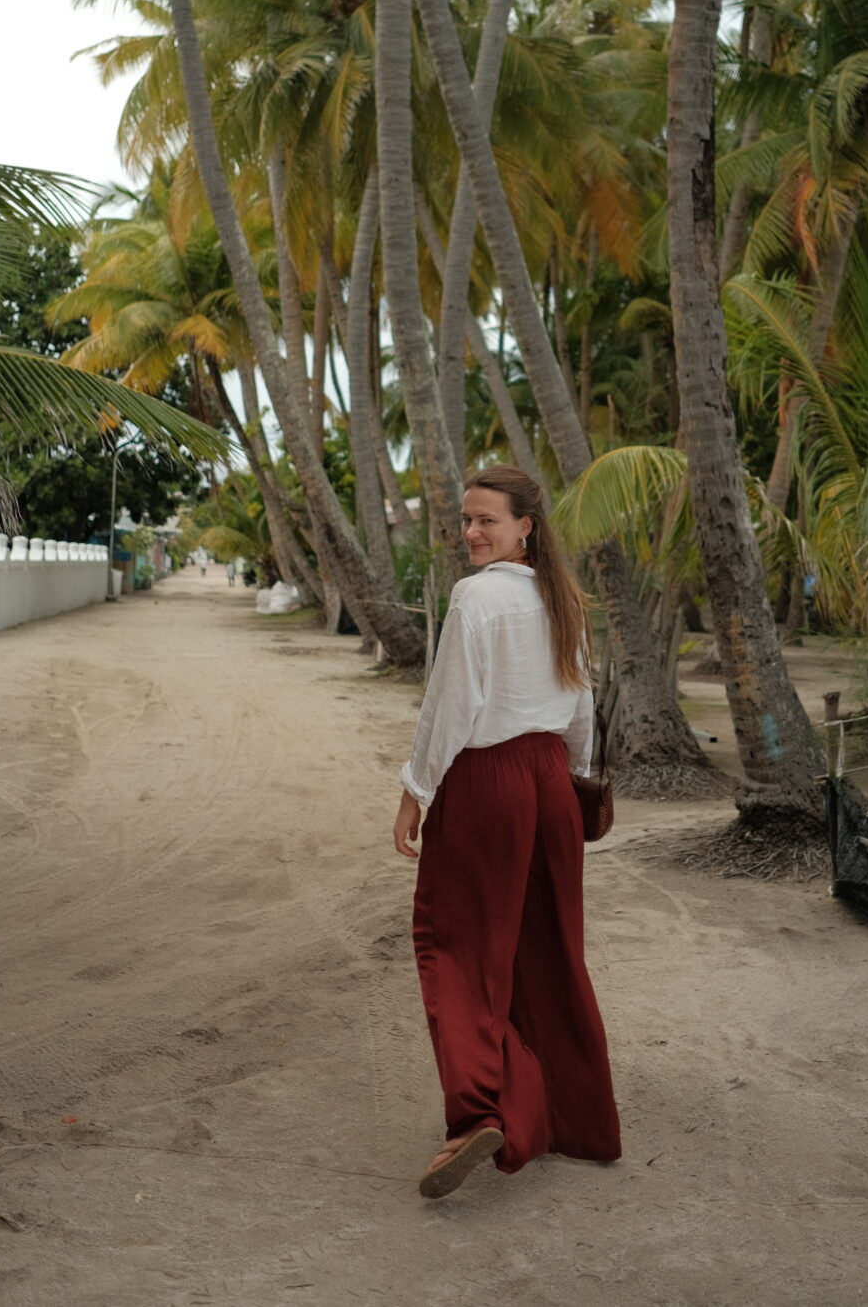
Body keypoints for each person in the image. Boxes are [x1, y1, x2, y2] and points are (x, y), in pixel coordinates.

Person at [393, 465, 621, 1199]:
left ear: (527, 525)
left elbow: (451, 705)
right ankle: (576, 1118)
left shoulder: (477, 598)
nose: (471, 532)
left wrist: (414, 792)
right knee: (547, 947)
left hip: (487, 784)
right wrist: (575, 782)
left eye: (486, 519)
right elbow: (582, 708)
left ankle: (477, 1114)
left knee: (454, 943)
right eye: (466, 519)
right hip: (551, 782)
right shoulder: (564, 600)